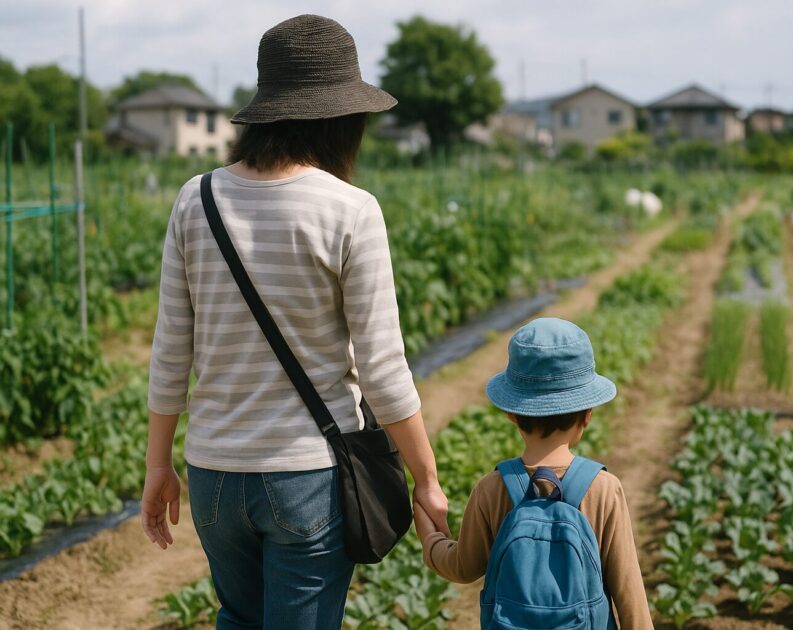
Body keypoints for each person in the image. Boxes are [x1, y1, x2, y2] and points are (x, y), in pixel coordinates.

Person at [140, 14, 449, 629]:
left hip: (213, 475)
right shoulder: (351, 210)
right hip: (304, 475)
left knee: (239, 618)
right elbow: (383, 369)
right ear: (341, 118)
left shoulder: (195, 198)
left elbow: (172, 349)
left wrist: (158, 466)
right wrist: (427, 478)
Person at [414, 318, 654, 629]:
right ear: (588, 414)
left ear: (511, 414)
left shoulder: (491, 488)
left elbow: (463, 567)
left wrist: (431, 539)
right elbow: (628, 592)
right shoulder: (604, 489)